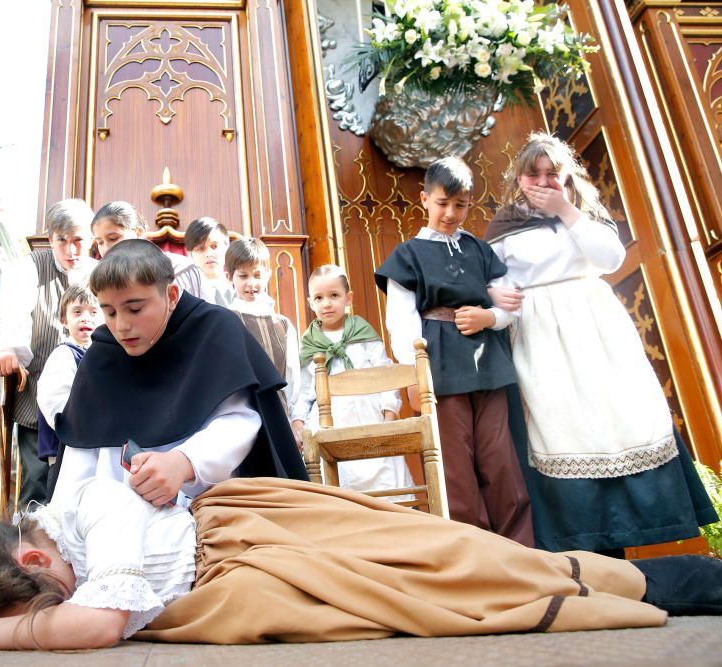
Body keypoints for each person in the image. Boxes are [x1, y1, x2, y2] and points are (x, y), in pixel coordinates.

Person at [0, 476, 722, 651]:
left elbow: (85, 625)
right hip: (232, 584)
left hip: (255, 535)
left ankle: (680, 582)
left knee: (465, 563)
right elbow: (48, 611)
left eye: (34, 607)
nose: (43, 622)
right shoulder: (37, 557)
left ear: (40, 556)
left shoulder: (98, 508)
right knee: (405, 602)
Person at [484, 132, 716, 554]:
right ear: (518, 178)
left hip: (596, 329)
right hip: (540, 334)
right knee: (559, 428)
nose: (542, 181)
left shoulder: (585, 215)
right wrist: (495, 294)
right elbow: (496, 282)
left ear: (567, 175)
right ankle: (581, 546)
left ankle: (628, 541)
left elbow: (610, 260)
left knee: (615, 420)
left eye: (552, 173)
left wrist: (566, 210)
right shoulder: (505, 225)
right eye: (532, 174)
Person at [51, 239, 307, 509]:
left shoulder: (216, 330)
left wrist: (185, 461)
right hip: (112, 517)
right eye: (110, 312)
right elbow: (80, 451)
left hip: (209, 509)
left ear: (171, 296)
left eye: (135, 309)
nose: (122, 325)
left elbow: (240, 420)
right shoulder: (100, 357)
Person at [374, 157, 533, 546]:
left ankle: (521, 552)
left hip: (488, 363)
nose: (450, 213)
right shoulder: (408, 255)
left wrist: (489, 318)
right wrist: (416, 372)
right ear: (425, 198)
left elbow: (512, 305)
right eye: (443, 202)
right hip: (439, 366)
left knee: (501, 461)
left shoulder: (480, 250)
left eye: (460, 205)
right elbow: (401, 320)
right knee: (455, 467)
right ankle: (476, 554)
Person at [0, 199, 98, 506]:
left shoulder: (101, 273)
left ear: (90, 239)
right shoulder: (32, 267)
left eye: (78, 240)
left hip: (91, 394)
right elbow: (15, 311)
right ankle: (32, 548)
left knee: (87, 482)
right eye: (61, 241)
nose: (70, 250)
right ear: (50, 239)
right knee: (36, 481)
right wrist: (8, 350)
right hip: (37, 393)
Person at [292, 265, 413, 494]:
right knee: (342, 480)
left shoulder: (362, 332)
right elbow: (305, 390)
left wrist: (389, 410)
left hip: (369, 417)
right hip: (331, 421)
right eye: (319, 298)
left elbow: (383, 371)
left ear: (348, 298)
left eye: (334, 295)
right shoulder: (309, 343)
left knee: (384, 475)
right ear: (310, 303)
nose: (326, 303)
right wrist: (298, 420)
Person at [35, 284, 100, 499]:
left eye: (93, 312)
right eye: (77, 312)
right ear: (64, 320)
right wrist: (71, 427)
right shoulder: (64, 355)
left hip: (90, 451)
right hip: (65, 450)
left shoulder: (98, 357)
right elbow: (53, 399)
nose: (86, 319)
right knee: (64, 507)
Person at [224, 238, 300, 416]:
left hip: (280, 414)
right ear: (229, 277)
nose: (251, 283)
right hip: (241, 414)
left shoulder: (283, 325)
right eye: (243, 276)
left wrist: (296, 418)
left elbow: (293, 379)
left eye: (257, 275)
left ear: (268, 274)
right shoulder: (225, 321)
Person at [91, 201, 207, 299]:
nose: (106, 249)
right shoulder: (99, 282)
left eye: (113, 238)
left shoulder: (182, 269)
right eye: (100, 242)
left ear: (139, 233)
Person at [185, 216, 234, 306]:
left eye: (214, 246)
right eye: (200, 248)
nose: (209, 254)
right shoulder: (183, 294)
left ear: (227, 248)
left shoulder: (242, 287)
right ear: (189, 254)